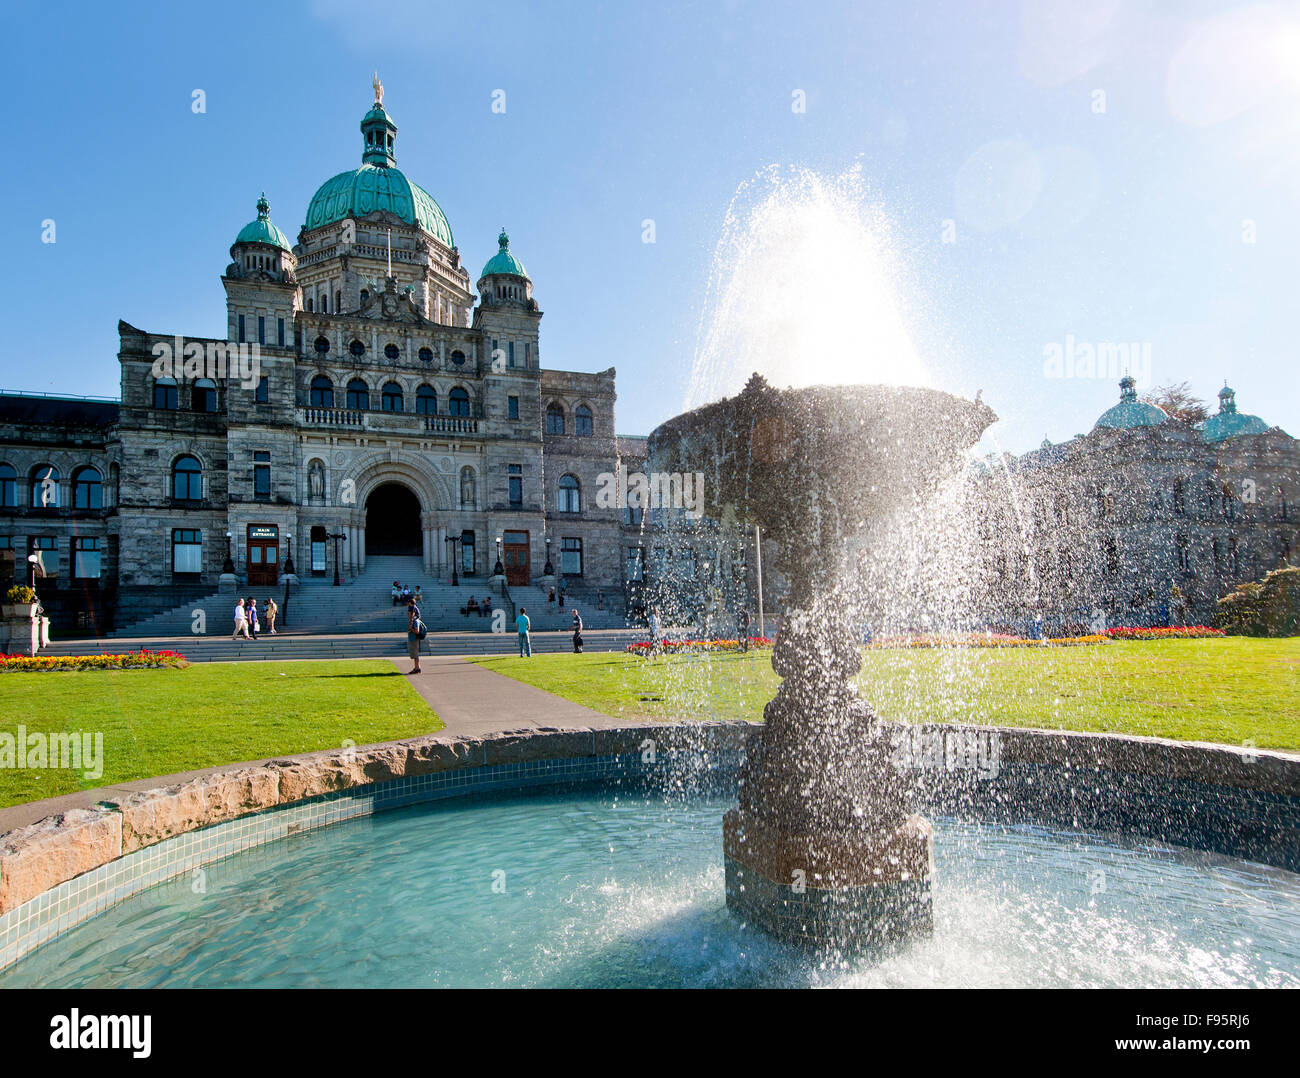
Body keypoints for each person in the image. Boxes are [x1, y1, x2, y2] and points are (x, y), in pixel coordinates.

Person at [406, 597, 423, 674]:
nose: (408, 614)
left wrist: (411, 629)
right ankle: (417, 667)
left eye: (409, 613)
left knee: (415, 653)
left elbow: (417, 631)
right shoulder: (414, 620)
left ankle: (417, 668)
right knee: (415, 653)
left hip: (414, 638)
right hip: (413, 637)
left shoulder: (415, 621)